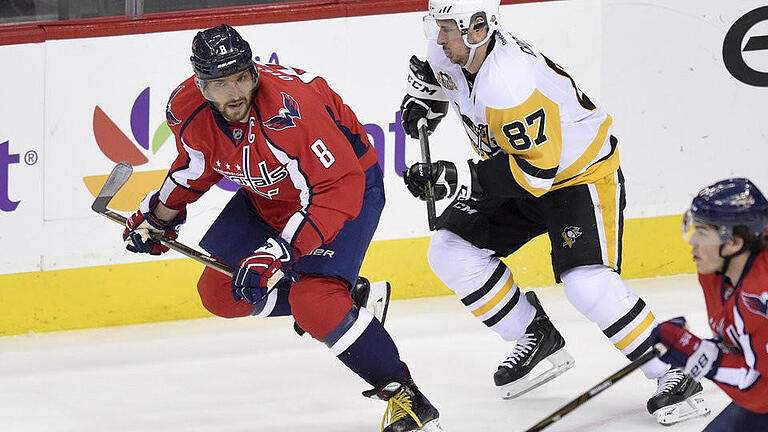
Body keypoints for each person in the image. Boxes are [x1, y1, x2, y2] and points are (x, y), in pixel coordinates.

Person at [398, 0, 708, 424]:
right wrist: (423, 106)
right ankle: (535, 336)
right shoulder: (449, 50)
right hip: (515, 170)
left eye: (448, 28)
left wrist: (458, 178)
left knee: (586, 283)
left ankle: (676, 367)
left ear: (478, 28)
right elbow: (439, 87)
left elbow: (537, 172)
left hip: (578, 178)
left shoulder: (509, 80)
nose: (439, 38)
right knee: (450, 250)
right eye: (437, 26)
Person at [122, 24, 441, 432]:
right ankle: (349, 298)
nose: (235, 92)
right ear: (201, 85)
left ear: (253, 71)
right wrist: (159, 216)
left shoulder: (291, 109)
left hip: (345, 190)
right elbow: (196, 166)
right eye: (221, 83)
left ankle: (406, 396)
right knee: (219, 293)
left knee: (315, 301)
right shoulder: (186, 109)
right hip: (269, 196)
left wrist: (278, 253)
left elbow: (337, 187)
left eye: (241, 77)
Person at [651, 178, 768, 431]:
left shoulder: (761, 297)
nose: (693, 242)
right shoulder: (715, 271)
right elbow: (741, 346)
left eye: (703, 232)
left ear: (735, 242)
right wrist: (703, 349)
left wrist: (696, 354)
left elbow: (763, 391)